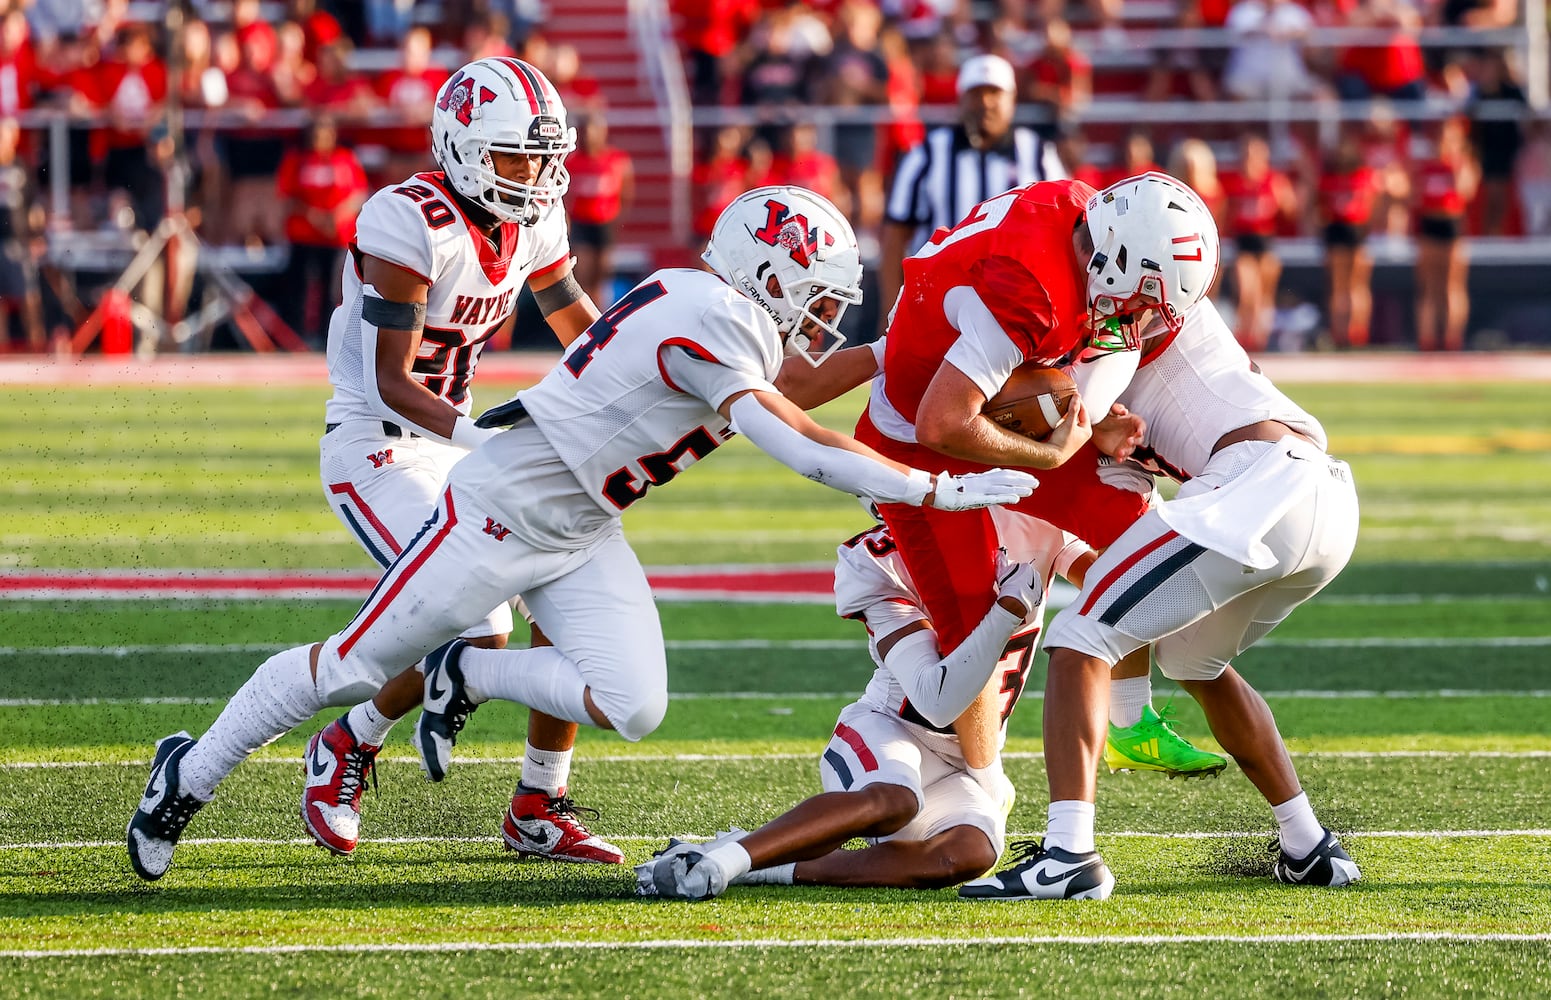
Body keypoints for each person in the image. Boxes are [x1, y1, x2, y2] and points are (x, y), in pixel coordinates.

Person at [124, 182, 1039, 882]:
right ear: (766, 276)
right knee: (350, 669)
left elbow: (792, 396)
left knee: (633, 702)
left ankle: (463, 672)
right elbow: (798, 443)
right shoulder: (706, 316)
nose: (823, 314)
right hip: (497, 514)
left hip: (582, 524)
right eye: (814, 293)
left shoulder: (710, 310)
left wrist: (899, 351)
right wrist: (940, 490)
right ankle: (190, 774)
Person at [302, 58, 620, 867]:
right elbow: (390, 381)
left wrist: (636, 373)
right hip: (379, 443)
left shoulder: (534, 219)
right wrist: (485, 438)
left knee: (568, 588)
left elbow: (572, 318)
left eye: (545, 157)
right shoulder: (408, 220)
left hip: (455, 445)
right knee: (477, 621)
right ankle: (349, 741)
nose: (538, 174)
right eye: (518, 155)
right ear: (467, 148)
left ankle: (537, 804)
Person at [960, 296, 1361, 901]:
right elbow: (1125, 527)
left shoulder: (1119, 326)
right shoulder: (1140, 326)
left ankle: (1069, 857)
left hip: (1261, 483)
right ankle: (1309, 845)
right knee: (1191, 658)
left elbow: (1057, 390)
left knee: (1078, 638)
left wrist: (1067, 425)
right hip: (1322, 500)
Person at [856, 172, 1225, 784]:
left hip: (979, 391)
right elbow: (940, 424)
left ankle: (1131, 722)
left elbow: (1039, 361)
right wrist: (1052, 454)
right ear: (1119, 260)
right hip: (916, 441)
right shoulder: (1033, 289)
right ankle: (981, 785)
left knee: (1135, 528)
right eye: (1142, 300)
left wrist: (1090, 418)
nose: (1138, 320)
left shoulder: (1083, 213)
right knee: (975, 632)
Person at [635, 512, 1062, 901]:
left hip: (957, 762)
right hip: (889, 728)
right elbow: (936, 700)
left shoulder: (1028, 523)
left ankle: (756, 862)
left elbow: (1104, 569)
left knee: (966, 855)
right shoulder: (878, 560)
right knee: (895, 800)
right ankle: (719, 864)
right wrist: (1005, 612)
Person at [878, 53, 1064, 335]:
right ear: (960, 100)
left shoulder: (1038, 155)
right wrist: (891, 311)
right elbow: (894, 238)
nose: (986, 102)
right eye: (976, 93)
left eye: (994, 93)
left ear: (1012, 100)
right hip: (936, 303)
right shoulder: (926, 155)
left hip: (1018, 307)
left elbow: (1064, 233)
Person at [275, 116, 367, 347]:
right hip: (303, 234)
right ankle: (294, 337)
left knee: (332, 288)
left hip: (335, 236)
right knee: (298, 287)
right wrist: (313, 216)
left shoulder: (344, 159)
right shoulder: (297, 160)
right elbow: (287, 196)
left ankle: (327, 336)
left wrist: (336, 215)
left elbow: (358, 194)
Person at [1222, 134, 1297, 352]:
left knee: (1263, 295)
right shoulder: (1234, 181)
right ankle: (1244, 336)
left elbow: (1290, 211)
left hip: (1265, 242)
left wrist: (1280, 196)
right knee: (1246, 293)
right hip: (1243, 243)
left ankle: (1260, 338)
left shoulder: (1273, 180)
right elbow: (1226, 214)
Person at [1413, 117, 1478, 351]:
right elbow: (1415, 196)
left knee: (1453, 286)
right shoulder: (1425, 165)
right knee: (1429, 287)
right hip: (1429, 225)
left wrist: (1457, 161)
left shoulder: (1463, 164)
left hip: (1452, 225)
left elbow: (1465, 192)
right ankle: (1427, 339)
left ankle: (1452, 340)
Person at [1317, 134, 1381, 349]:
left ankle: (1353, 331)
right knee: (1344, 287)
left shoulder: (1360, 176)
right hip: (1345, 230)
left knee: (1352, 286)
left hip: (1352, 231)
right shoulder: (1338, 178)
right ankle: (1345, 332)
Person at [564, 114, 634, 307]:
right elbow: (565, 197)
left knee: (602, 275)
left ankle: (599, 316)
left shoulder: (616, 160)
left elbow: (626, 193)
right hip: (581, 222)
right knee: (582, 274)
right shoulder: (572, 162)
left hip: (604, 223)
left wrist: (615, 217)